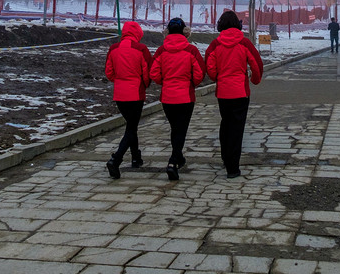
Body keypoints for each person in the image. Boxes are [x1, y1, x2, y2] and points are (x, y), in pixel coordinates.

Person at [205, 10, 264, 179]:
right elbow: (257, 64)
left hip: (223, 92)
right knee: (237, 129)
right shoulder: (244, 43)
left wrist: (216, 77)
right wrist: (255, 79)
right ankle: (233, 167)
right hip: (240, 92)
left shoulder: (215, 45)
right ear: (238, 25)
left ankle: (225, 157)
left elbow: (210, 66)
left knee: (226, 124)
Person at [149, 17, 206, 181]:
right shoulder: (191, 50)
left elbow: (154, 73)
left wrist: (164, 82)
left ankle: (179, 158)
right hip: (185, 96)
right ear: (185, 32)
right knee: (181, 129)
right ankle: (173, 162)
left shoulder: (161, 50)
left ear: (167, 32)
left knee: (175, 128)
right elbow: (199, 73)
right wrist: (191, 84)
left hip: (167, 96)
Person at [103, 20, 152, 178]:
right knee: (131, 128)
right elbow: (147, 72)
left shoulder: (113, 49)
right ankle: (116, 159)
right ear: (138, 33)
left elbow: (109, 72)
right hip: (135, 93)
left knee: (132, 126)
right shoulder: (141, 49)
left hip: (119, 94)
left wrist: (119, 81)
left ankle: (136, 157)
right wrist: (144, 84)